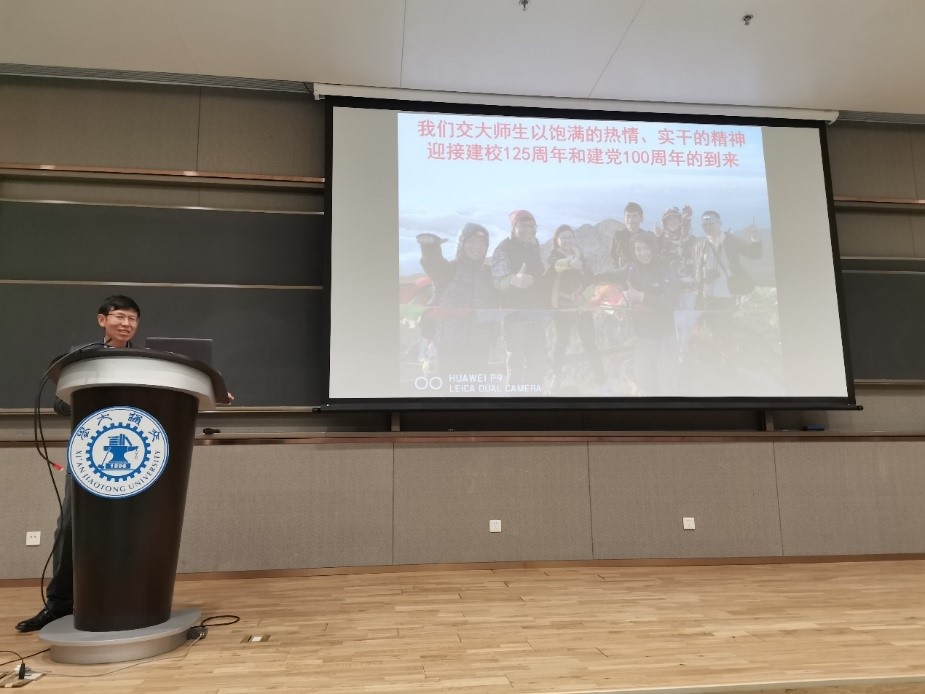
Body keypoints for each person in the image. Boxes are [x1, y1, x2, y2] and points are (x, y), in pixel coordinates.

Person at [16, 295, 141, 632]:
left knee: (131, 527)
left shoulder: (148, 361)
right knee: (70, 526)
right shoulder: (81, 357)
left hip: (137, 454)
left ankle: (125, 599)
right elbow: (60, 407)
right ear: (102, 320)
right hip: (90, 453)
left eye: (132, 319)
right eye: (119, 316)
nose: (126, 324)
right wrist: (89, 393)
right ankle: (59, 604)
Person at [415, 223, 499, 377]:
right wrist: (430, 247)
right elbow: (433, 264)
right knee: (448, 388)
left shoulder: (489, 273)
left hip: (479, 347)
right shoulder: (449, 270)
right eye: (472, 241)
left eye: (482, 243)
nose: (477, 246)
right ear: (462, 243)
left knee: (475, 388)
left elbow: (497, 303)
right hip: (448, 346)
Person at [490, 210, 548, 389]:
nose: (529, 229)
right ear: (514, 227)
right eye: (523, 225)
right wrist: (514, 280)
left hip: (536, 315)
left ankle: (534, 401)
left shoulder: (534, 246)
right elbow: (497, 280)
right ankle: (515, 402)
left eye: (532, 225)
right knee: (515, 365)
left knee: (537, 363)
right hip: (515, 318)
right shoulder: (504, 248)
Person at [544, 224, 606, 392]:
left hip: (581, 304)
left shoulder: (581, 256)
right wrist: (570, 263)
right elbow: (555, 266)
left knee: (589, 342)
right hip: (563, 306)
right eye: (563, 237)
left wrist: (584, 296)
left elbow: (590, 279)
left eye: (569, 237)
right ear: (556, 240)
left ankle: (601, 381)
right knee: (561, 342)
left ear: (574, 238)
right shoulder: (553, 255)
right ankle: (556, 377)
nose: (567, 240)